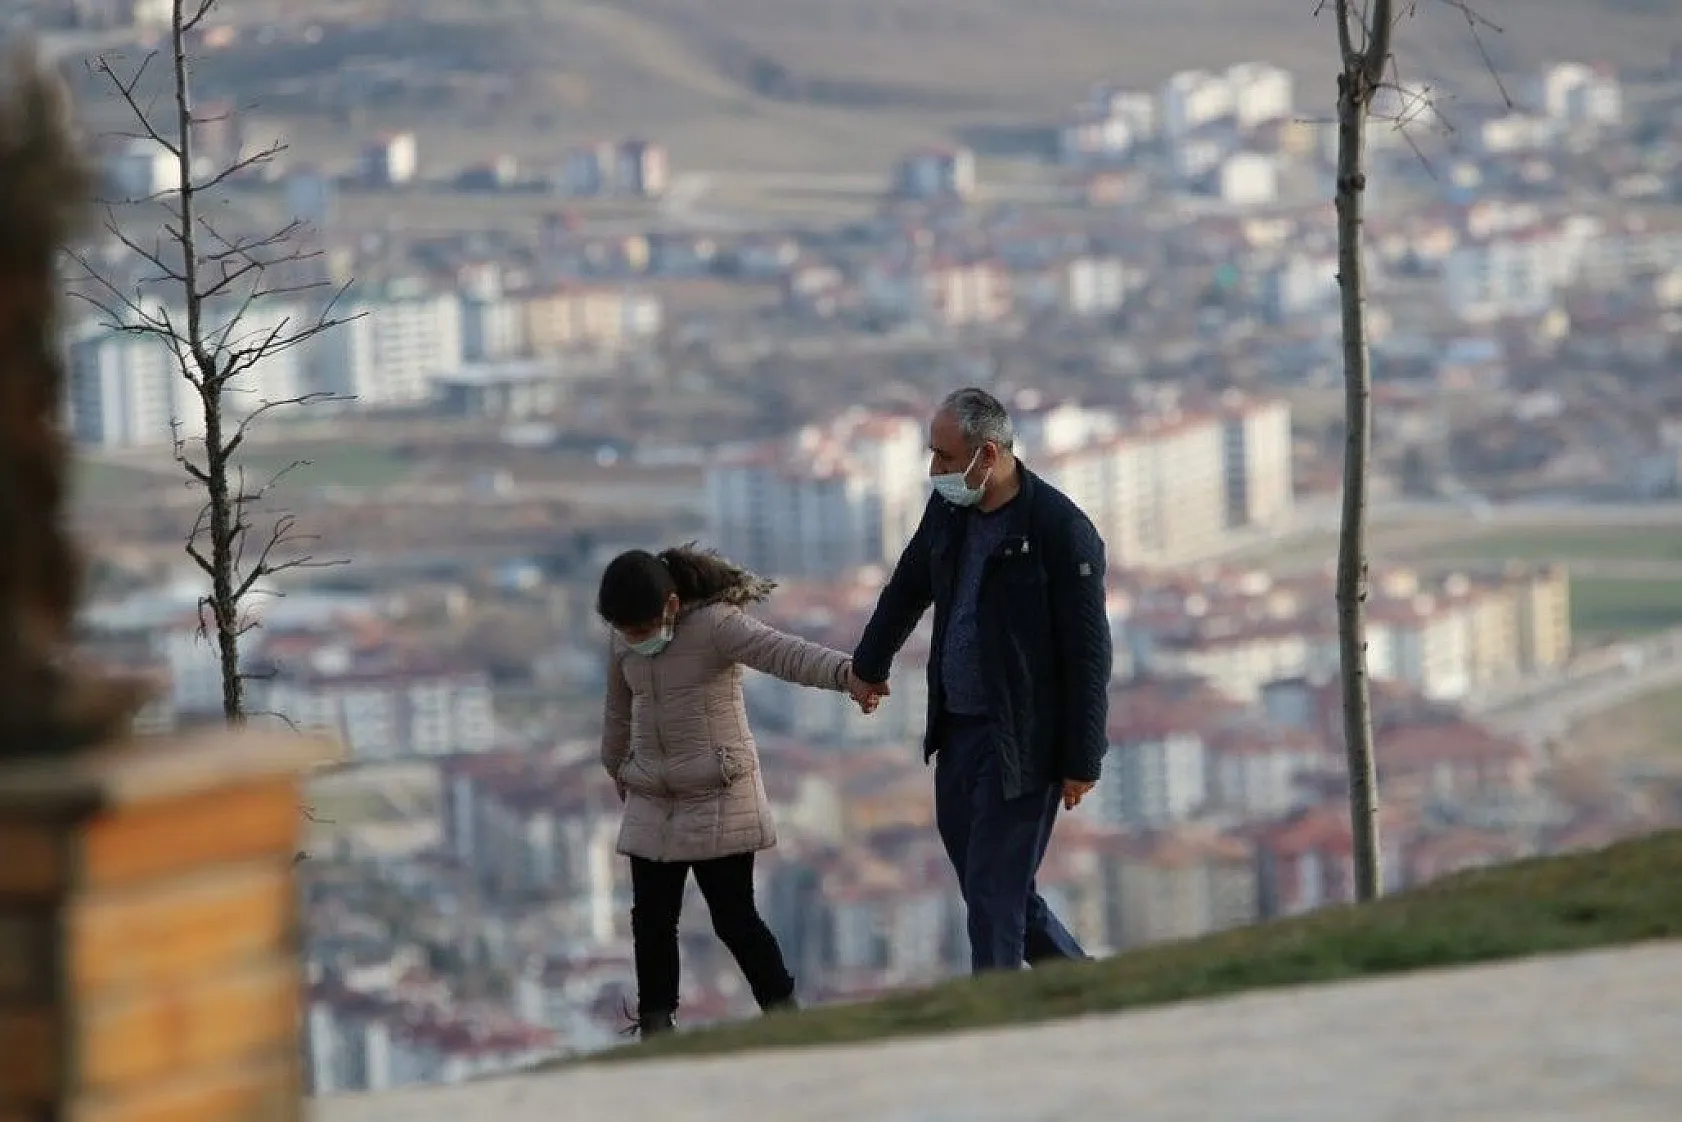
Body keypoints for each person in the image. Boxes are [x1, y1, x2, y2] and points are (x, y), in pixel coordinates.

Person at [849, 387, 1112, 974]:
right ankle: (1084, 984)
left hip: (1022, 741)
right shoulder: (948, 512)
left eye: (944, 457)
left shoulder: (1059, 531)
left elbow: (1089, 654)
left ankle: (995, 1016)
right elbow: (908, 586)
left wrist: (1082, 758)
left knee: (994, 897)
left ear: (987, 454)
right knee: (991, 887)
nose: (934, 470)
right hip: (957, 729)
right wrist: (870, 665)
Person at [597, 544, 877, 1038]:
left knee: (733, 918)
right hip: (654, 796)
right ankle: (658, 1028)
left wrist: (847, 675)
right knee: (651, 921)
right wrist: (616, 765)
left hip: (717, 790)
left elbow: (783, 653)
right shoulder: (623, 642)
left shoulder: (716, 625)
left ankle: (784, 1015)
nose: (636, 641)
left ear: (671, 606)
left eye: (642, 630)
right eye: (626, 632)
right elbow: (618, 711)